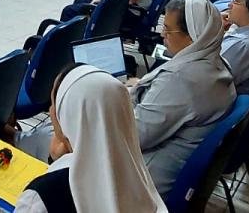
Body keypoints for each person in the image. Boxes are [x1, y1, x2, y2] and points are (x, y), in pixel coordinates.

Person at [14, 65, 168, 213]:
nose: (51, 110)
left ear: (67, 121)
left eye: (55, 103)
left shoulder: (40, 197)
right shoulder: (140, 178)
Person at [131, 0, 237, 194]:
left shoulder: (180, 78)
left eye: (168, 29)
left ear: (193, 36)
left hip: (146, 178)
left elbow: (135, 136)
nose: (162, 34)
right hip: (177, 168)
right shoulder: (220, 64)